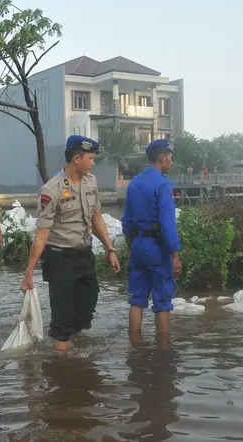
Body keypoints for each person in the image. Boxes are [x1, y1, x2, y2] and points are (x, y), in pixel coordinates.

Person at [20, 135, 121, 351]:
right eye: (90, 158)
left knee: (86, 311)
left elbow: (97, 218)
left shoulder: (90, 182)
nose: (93, 163)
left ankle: (69, 345)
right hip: (60, 259)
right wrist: (29, 273)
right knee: (62, 318)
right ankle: (61, 367)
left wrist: (110, 249)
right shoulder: (51, 190)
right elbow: (41, 234)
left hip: (84, 255)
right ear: (77, 158)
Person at [121, 139, 183, 345]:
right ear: (162, 157)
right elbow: (167, 223)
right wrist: (174, 254)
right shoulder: (163, 184)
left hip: (138, 245)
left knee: (137, 299)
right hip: (157, 248)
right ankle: (163, 351)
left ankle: (135, 347)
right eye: (170, 158)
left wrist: (132, 246)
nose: (171, 162)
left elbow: (127, 220)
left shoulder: (135, 182)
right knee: (163, 302)